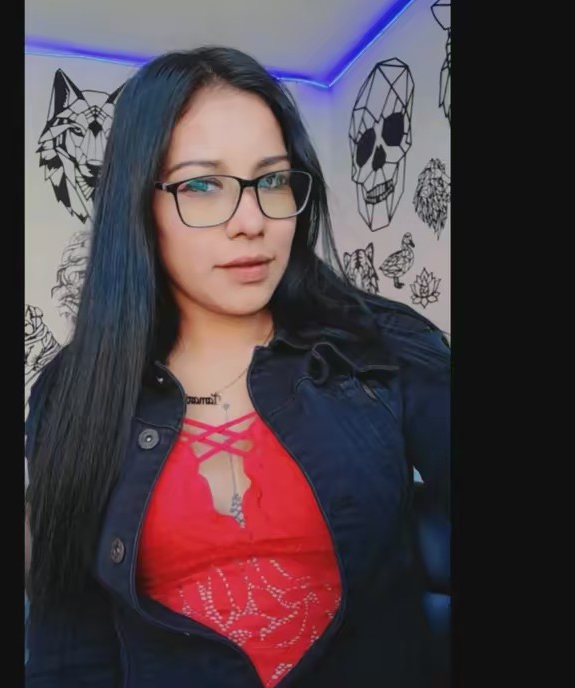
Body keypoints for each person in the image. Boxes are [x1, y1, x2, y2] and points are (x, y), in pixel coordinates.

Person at [24, 46, 450, 688]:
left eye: (272, 180)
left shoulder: (379, 344)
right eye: (200, 185)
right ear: (139, 206)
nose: (252, 222)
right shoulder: (73, 393)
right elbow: (68, 641)